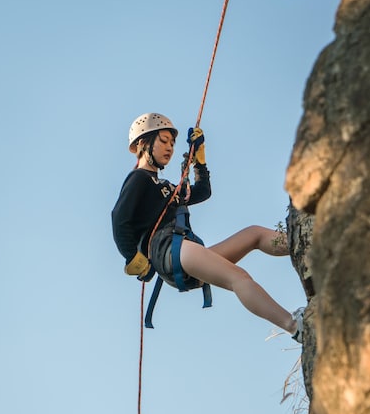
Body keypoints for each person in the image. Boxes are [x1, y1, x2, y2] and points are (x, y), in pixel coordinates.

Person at [111, 112, 304, 342]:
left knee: (254, 234)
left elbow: (202, 192)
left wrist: (199, 161)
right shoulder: (139, 179)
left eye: (172, 143)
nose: (169, 148)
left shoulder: (164, 187)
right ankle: (295, 327)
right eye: (163, 141)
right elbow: (119, 219)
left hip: (182, 253)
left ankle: (305, 242)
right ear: (144, 143)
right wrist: (132, 257)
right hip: (169, 250)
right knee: (239, 277)